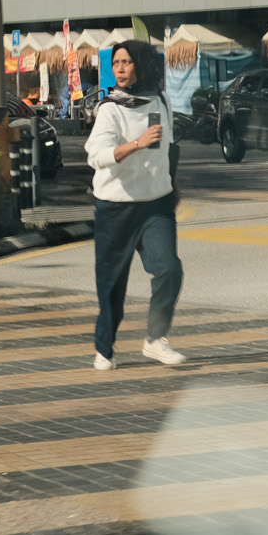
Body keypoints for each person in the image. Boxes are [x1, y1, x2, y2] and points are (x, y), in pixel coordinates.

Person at [85, 39, 185, 369]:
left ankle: (155, 339)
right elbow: (97, 157)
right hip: (116, 207)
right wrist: (136, 144)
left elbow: (168, 146)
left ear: (142, 65)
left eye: (127, 62)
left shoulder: (159, 101)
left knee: (169, 268)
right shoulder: (110, 109)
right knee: (112, 284)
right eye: (116, 64)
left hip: (155, 205)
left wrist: (172, 185)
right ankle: (105, 348)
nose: (121, 69)